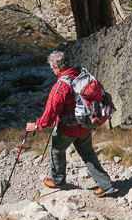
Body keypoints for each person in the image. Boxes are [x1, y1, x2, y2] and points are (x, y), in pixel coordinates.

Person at [25, 50, 113, 197]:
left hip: (67, 129)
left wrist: (36, 125)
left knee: (56, 150)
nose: (52, 71)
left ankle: (58, 180)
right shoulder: (81, 73)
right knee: (87, 152)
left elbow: (50, 113)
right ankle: (105, 185)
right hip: (86, 124)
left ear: (58, 67)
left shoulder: (61, 87)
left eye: (52, 68)